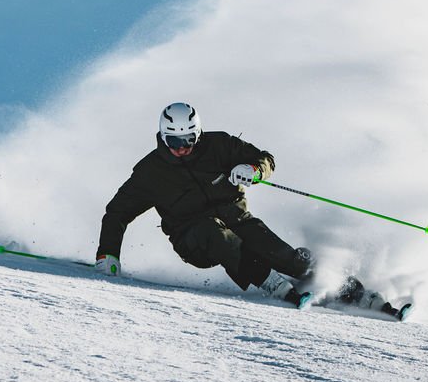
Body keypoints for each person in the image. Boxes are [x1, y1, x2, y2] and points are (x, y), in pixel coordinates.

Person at [95, 101, 313, 305]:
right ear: (163, 137)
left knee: (288, 259)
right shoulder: (151, 172)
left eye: (188, 139)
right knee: (215, 234)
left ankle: (333, 285)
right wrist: (108, 254)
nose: (181, 148)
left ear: (198, 134)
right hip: (192, 237)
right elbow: (117, 213)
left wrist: (254, 171)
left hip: (238, 220)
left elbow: (265, 160)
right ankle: (277, 286)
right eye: (173, 141)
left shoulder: (219, 145)